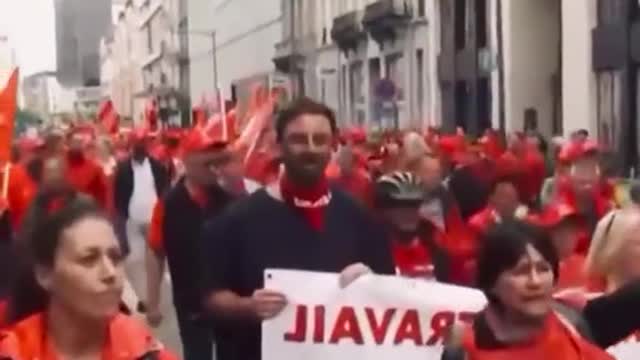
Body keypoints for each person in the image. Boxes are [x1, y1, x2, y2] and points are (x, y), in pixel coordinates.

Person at [202, 97, 394, 360]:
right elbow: (209, 297)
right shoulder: (236, 221)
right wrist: (246, 307)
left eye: (320, 139)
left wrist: (370, 283)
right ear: (278, 146)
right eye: (299, 139)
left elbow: (388, 294)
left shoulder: (361, 218)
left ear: (332, 145)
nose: (311, 149)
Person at [0, 189, 176, 359]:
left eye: (115, 258)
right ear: (45, 274)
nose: (110, 273)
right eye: (89, 259)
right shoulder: (12, 352)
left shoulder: (147, 353)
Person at [442, 221, 613, 360]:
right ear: (491, 283)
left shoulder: (571, 326)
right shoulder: (464, 349)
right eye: (521, 271)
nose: (535, 282)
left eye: (543, 269)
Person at [145, 128, 238, 360]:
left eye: (218, 153)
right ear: (187, 159)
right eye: (207, 151)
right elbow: (155, 252)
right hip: (190, 303)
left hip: (230, 302)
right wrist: (153, 302)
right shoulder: (168, 205)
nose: (215, 159)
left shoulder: (232, 202)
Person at [113, 129, 170, 311]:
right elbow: (117, 195)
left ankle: (153, 296)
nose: (140, 148)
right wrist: (120, 220)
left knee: (155, 261)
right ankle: (144, 298)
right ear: (131, 146)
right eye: (137, 145)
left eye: (143, 144)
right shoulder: (122, 169)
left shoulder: (157, 166)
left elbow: (165, 190)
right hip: (132, 222)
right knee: (134, 261)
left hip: (155, 220)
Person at [374, 171, 450, 280]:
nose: (409, 213)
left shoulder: (432, 237)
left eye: (414, 205)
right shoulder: (370, 245)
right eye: (401, 207)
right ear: (384, 210)